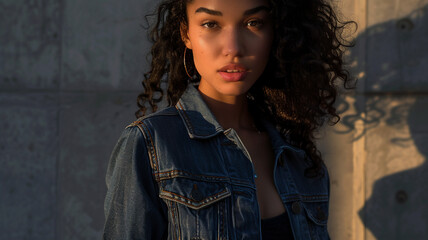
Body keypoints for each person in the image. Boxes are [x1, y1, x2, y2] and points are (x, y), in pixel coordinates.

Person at [103, 0, 354, 239]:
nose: (233, 48)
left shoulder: (300, 158)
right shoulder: (151, 144)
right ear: (186, 33)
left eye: (253, 22)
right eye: (211, 24)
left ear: (277, 32)